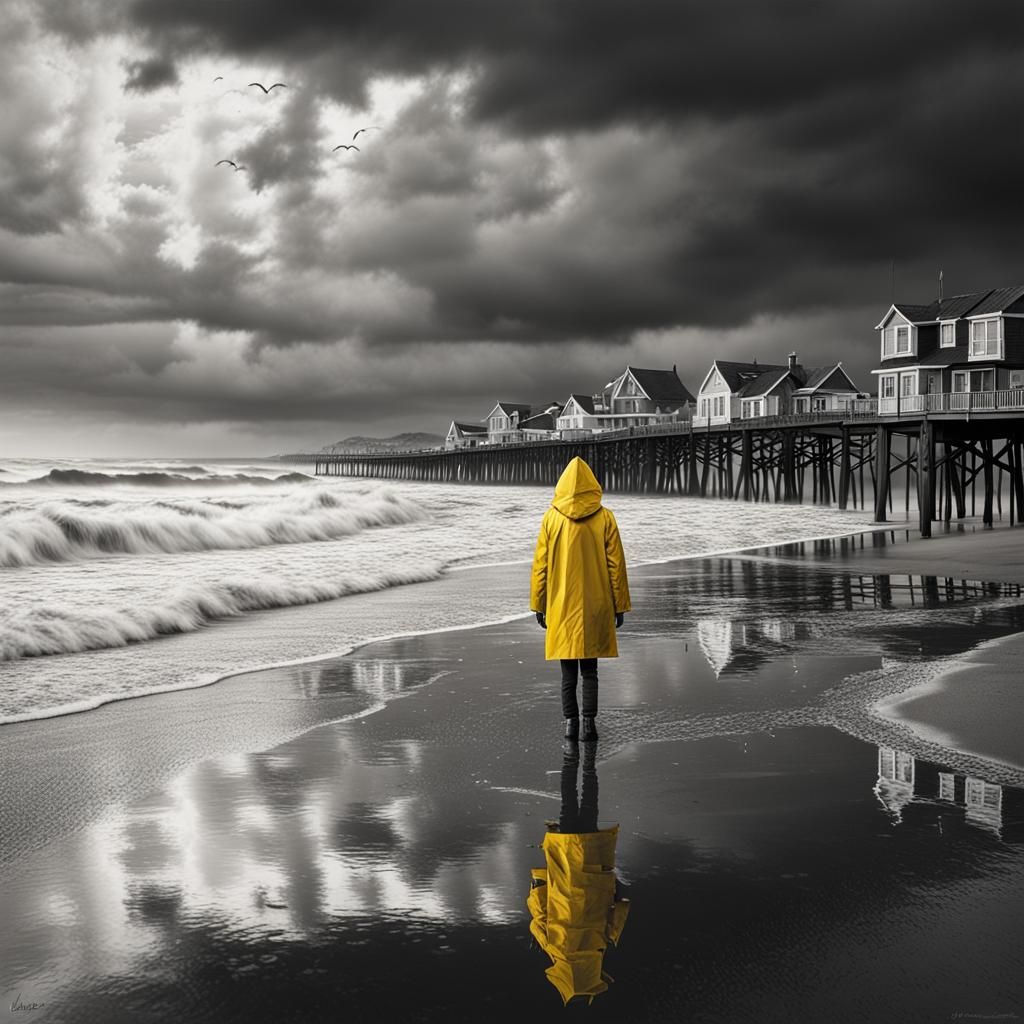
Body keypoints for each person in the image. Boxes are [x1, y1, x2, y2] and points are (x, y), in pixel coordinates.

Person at [530, 456, 631, 741]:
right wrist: (620, 604)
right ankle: (589, 725)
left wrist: (538, 604)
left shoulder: (550, 518)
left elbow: (541, 566)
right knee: (590, 671)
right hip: (595, 606)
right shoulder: (605, 517)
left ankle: (570, 725)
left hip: (561, 607)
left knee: (568, 673)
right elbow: (617, 566)